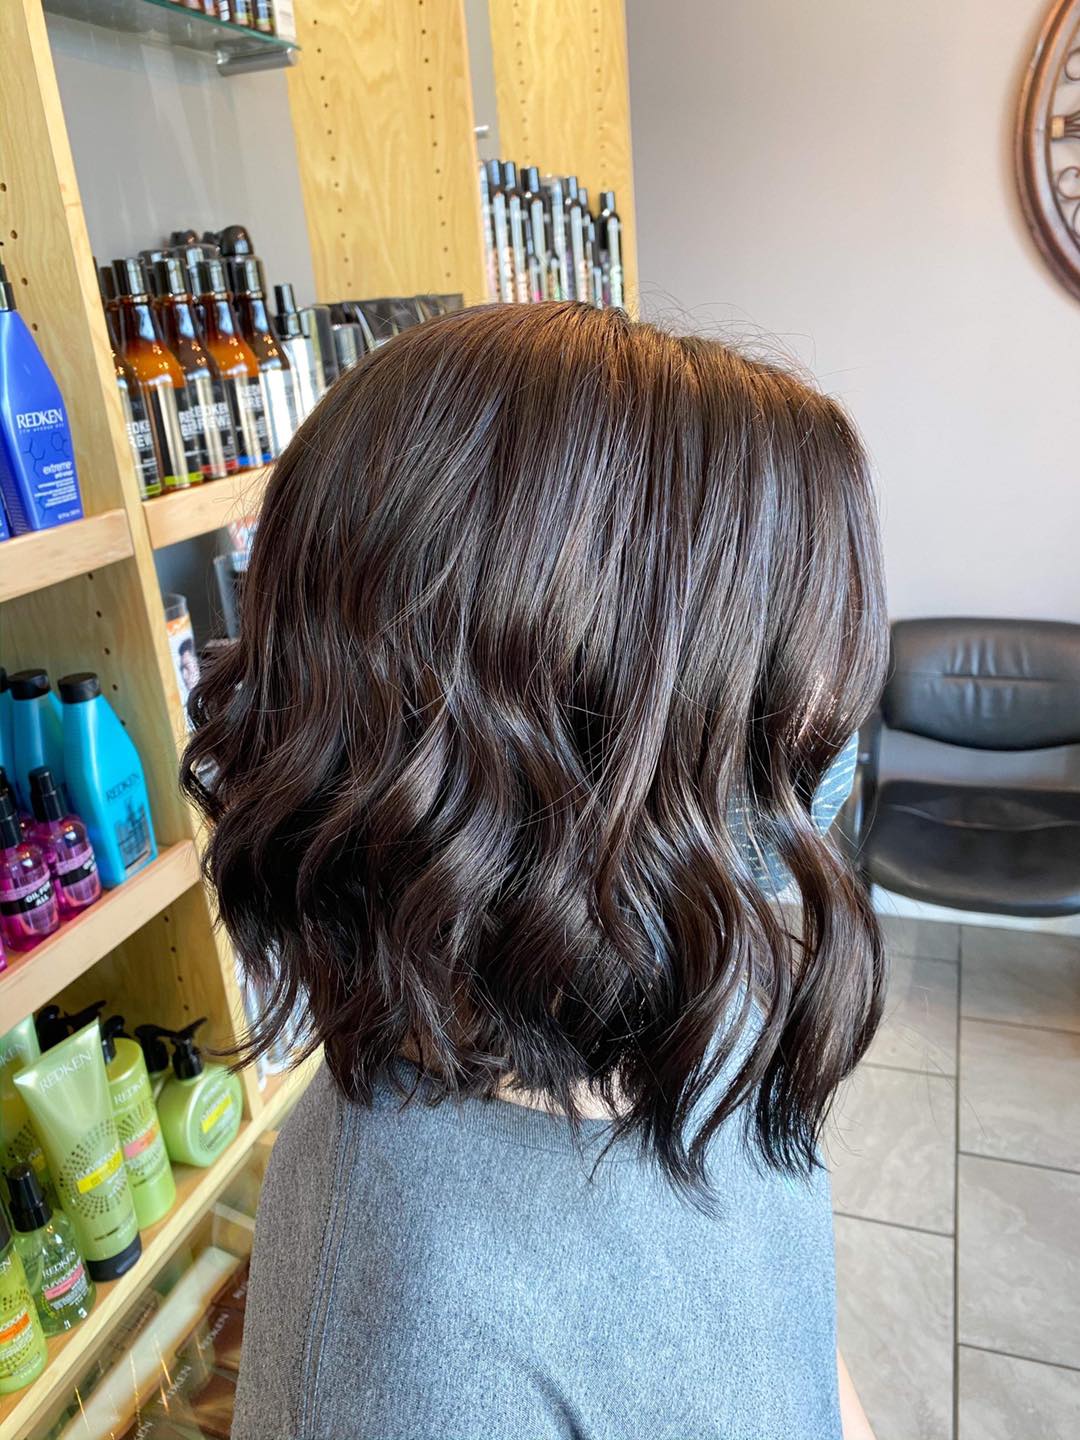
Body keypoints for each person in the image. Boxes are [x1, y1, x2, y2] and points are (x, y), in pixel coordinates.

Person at [183, 302, 885, 1440]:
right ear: (571, 729)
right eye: (784, 667)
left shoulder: (682, 964)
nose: (831, 715)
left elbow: (791, 1326)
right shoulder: (408, 1361)